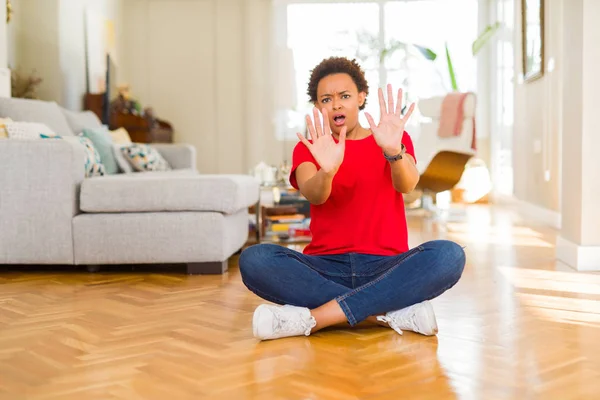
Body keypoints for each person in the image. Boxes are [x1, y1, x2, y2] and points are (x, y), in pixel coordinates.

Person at [239, 57, 465, 341]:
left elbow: (407, 184)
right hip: (324, 268)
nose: (336, 104)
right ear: (318, 107)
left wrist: (393, 151)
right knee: (254, 259)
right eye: (326, 99)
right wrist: (328, 170)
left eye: (344, 96)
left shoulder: (391, 138)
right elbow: (315, 195)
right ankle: (386, 314)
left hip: (386, 266)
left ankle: (316, 318)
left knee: (449, 255)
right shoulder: (309, 148)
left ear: (361, 97)